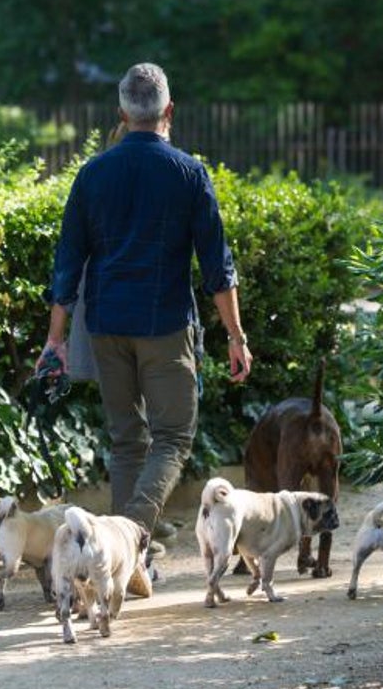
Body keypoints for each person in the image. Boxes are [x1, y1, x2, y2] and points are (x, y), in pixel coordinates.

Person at [38, 62, 252, 585]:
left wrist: (55, 340)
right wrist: (236, 336)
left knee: (126, 440)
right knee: (173, 437)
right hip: (165, 326)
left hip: (107, 324)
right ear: (169, 112)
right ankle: (130, 542)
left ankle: (125, 564)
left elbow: (68, 261)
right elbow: (217, 266)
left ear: (122, 114)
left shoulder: (93, 174)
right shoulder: (189, 173)